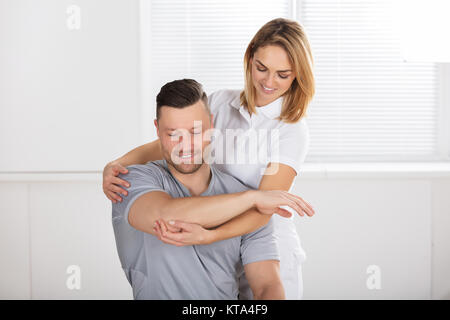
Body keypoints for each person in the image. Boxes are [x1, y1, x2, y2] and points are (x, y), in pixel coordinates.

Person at [104, 18, 315, 299]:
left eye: (283, 74)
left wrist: (211, 235)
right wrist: (116, 165)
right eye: (261, 68)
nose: (268, 81)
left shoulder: (291, 130)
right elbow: (170, 141)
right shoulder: (219, 102)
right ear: (250, 57)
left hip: (257, 238)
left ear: (298, 74)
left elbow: (263, 207)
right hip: (214, 240)